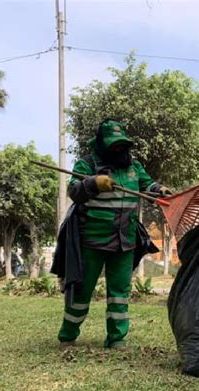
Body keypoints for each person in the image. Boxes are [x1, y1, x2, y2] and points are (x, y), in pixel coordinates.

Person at [57, 119, 171, 350]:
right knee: (81, 291)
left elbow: (147, 184)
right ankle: (68, 335)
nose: (118, 149)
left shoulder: (134, 167)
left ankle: (117, 339)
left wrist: (160, 190)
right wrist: (93, 183)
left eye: (122, 145)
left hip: (124, 241)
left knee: (120, 293)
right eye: (113, 145)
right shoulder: (86, 164)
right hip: (91, 240)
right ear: (100, 145)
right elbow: (74, 192)